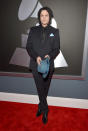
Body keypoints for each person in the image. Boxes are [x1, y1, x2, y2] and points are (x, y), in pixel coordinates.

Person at [26, 7, 60, 124]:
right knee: (40, 88)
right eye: (42, 15)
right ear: (39, 17)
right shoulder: (33, 30)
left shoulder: (55, 31)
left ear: (49, 17)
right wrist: (36, 57)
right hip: (35, 64)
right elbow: (28, 47)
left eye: (46, 15)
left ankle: (40, 107)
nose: (44, 17)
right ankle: (45, 111)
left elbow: (56, 49)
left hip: (48, 65)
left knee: (44, 89)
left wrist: (49, 56)